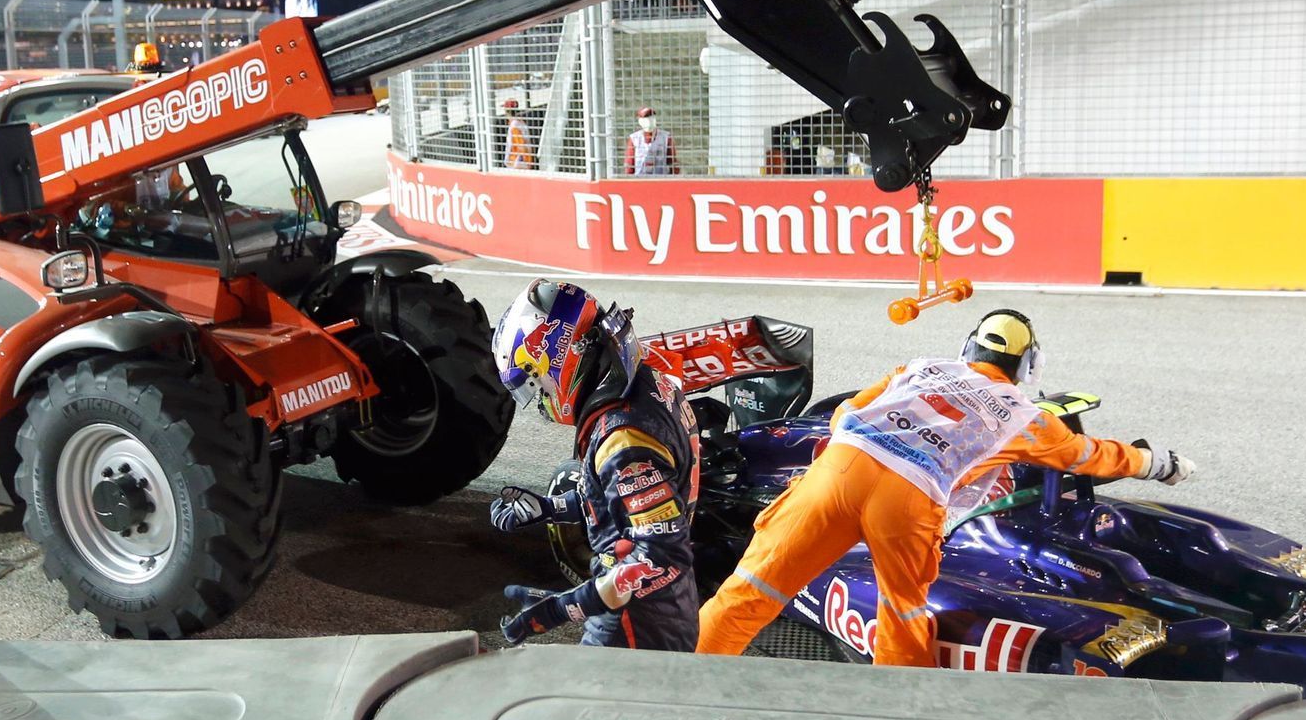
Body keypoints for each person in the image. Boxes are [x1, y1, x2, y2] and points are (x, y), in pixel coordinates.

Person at [697, 309, 1198, 665]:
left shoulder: (921, 368)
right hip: (910, 499)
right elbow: (1088, 457)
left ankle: (679, 684)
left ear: (968, 347)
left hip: (839, 472)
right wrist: (1155, 464)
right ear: (1028, 368)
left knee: (750, 591)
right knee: (903, 612)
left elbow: (845, 414)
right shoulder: (1026, 417)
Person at [489, 280, 700, 650]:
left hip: (637, 626)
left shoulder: (622, 439)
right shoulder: (645, 380)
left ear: (560, 361)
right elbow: (626, 500)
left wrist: (561, 609)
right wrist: (553, 507)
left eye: (536, 383)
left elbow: (659, 558)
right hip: (654, 612)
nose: (541, 402)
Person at [623, 106, 679, 175]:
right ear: (640, 121)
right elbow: (629, 164)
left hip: (661, 180)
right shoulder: (634, 138)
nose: (650, 120)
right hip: (640, 180)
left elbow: (673, 163)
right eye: (646, 118)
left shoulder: (665, 137)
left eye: (652, 117)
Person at [502, 99, 535, 169]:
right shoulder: (521, 122)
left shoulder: (514, 125)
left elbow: (520, 145)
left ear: (506, 111)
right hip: (523, 160)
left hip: (518, 162)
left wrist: (513, 163)